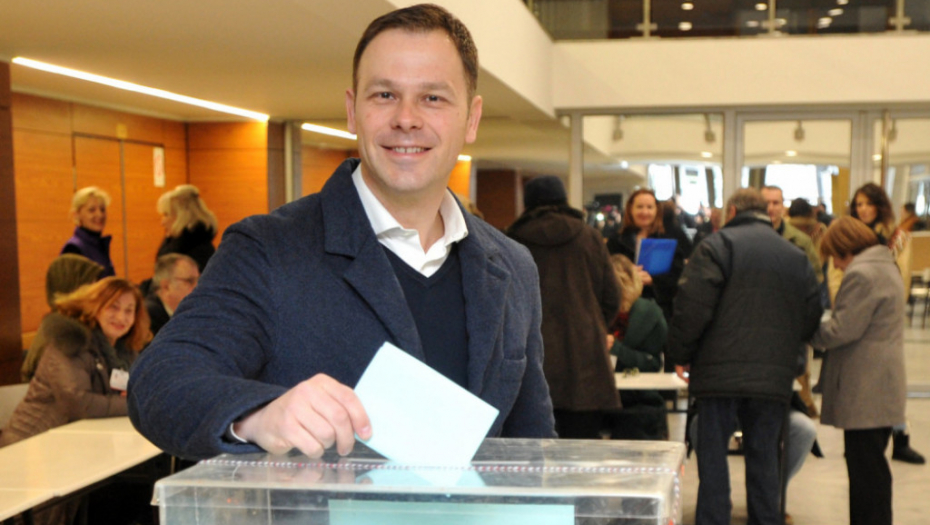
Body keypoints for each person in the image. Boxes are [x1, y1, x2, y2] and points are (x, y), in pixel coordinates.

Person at [128, 4, 556, 461]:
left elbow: (533, 443)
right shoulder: (269, 250)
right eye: (384, 95)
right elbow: (161, 381)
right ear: (353, 111)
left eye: (433, 98)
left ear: (471, 119)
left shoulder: (513, 266)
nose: (406, 118)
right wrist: (258, 415)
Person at [667, 188, 822, 525]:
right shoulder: (794, 255)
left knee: (713, 458)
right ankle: (766, 518)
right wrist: (787, 349)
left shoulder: (716, 246)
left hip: (717, 375)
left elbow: (692, 307)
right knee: (765, 455)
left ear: (733, 212)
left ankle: (714, 519)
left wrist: (680, 353)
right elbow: (812, 313)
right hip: (772, 377)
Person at [507, 176, 620, 439]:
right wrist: (593, 325)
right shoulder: (590, 237)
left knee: (533, 453)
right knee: (582, 452)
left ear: (528, 203)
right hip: (586, 363)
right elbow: (612, 297)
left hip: (530, 363)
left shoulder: (512, 240)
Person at [812, 216, 907, 525]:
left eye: (836, 257)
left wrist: (805, 329)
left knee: (866, 475)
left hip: (867, 388)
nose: (837, 266)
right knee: (872, 470)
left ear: (846, 248)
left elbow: (841, 330)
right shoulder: (885, 266)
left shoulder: (862, 274)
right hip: (881, 385)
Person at [840, 182, 924, 465]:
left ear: (879, 206)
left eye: (868, 203)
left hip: (884, 320)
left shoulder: (894, 237)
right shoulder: (848, 236)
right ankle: (861, 439)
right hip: (853, 314)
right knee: (860, 385)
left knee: (889, 383)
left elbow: (901, 274)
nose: (863, 209)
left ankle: (900, 437)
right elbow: (836, 276)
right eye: (858, 204)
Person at [607, 254, 668, 440]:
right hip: (608, 398)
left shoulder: (649, 315)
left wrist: (617, 349)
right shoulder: (596, 312)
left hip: (635, 399)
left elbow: (652, 364)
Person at [606, 189, 686, 322]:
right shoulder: (616, 240)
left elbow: (678, 277)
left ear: (656, 210)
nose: (645, 212)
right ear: (630, 209)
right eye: (639, 207)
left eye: (649, 207)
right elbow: (606, 273)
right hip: (624, 309)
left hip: (660, 311)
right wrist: (629, 275)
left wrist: (653, 280)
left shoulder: (669, 239)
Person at [21, 254, 104, 381]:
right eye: (90, 286)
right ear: (72, 288)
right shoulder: (62, 334)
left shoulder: (76, 323)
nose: (96, 294)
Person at [156, 184, 218, 273]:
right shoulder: (175, 243)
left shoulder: (198, 253)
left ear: (182, 216)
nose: (162, 222)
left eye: (166, 215)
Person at [60, 186, 116, 277]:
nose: (99, 215)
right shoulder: (73, 249)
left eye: (102, 209)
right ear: (77, 214)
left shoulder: (99, 246)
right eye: (92, 210)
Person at [145, 254, 200, 337]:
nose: (197, 287)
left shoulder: (193, 312)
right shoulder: (148, 317)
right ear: (166, 286)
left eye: (199, 280)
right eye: (190, 281)